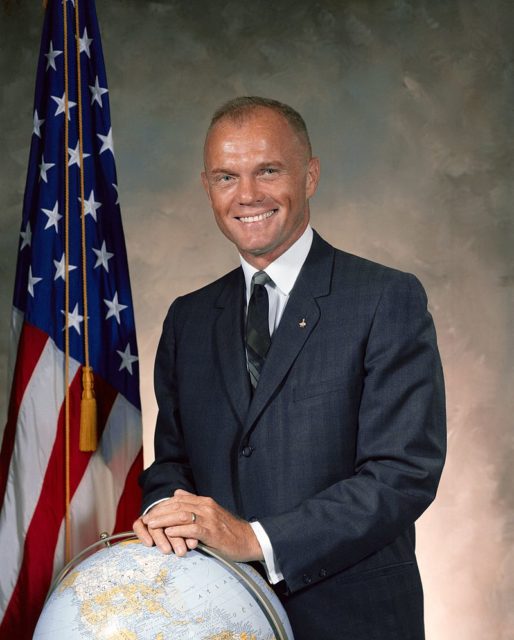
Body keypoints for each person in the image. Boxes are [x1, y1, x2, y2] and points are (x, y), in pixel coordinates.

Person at [133, 96, 446, 639]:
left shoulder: (384, 298)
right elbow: (172, 464)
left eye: (268, 171)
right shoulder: (188, 318)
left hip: (353, 621)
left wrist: (256, 539)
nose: (247, 195)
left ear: (310, 175)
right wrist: (170, 514)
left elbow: (402, 474)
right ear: (207, 187)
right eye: (226, 176)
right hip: (217, 619)